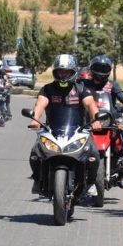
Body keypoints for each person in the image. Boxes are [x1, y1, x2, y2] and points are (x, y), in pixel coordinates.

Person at [28, 54, 102, 195]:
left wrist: (96, 120)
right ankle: (37, 180)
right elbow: (40, 104)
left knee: (94, 155)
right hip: (52, 130)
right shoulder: (47, 89)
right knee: (35, 154)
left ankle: (91, 183)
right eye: (60, 72)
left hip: (78, 131)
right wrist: (35, 119)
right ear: (55, 72)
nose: (62, 75)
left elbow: (90, 104)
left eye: (66, 72)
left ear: (73, 72)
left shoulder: (81, 89)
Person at [81, 55, 123, 167]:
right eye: (98, 68)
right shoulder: (84, 84)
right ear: (91, 69)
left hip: (110, 119)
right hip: (90, 120)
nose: (101, 72)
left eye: (104, 69)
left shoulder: (112, 85)